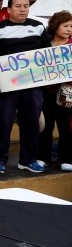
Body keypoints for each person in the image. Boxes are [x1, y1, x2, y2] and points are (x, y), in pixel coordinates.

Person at [0, 0, 51, 174]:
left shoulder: (38, 27)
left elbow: (47, 54)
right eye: (18, 6)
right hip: (6, 85)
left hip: (33, 85)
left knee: (31, 122)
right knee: (3, 122)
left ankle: (28, 159)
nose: (23, 9)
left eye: (26, 6)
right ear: (8, 9)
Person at [38, 11, 72, 171]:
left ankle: (66, 158)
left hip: (67, 94)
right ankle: (43, 157)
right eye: (65, 26)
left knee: (66, 126)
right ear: (55, 26)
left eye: (71, 26)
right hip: (46, 93)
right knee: (46, 126)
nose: (69, 29)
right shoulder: (45, 44)